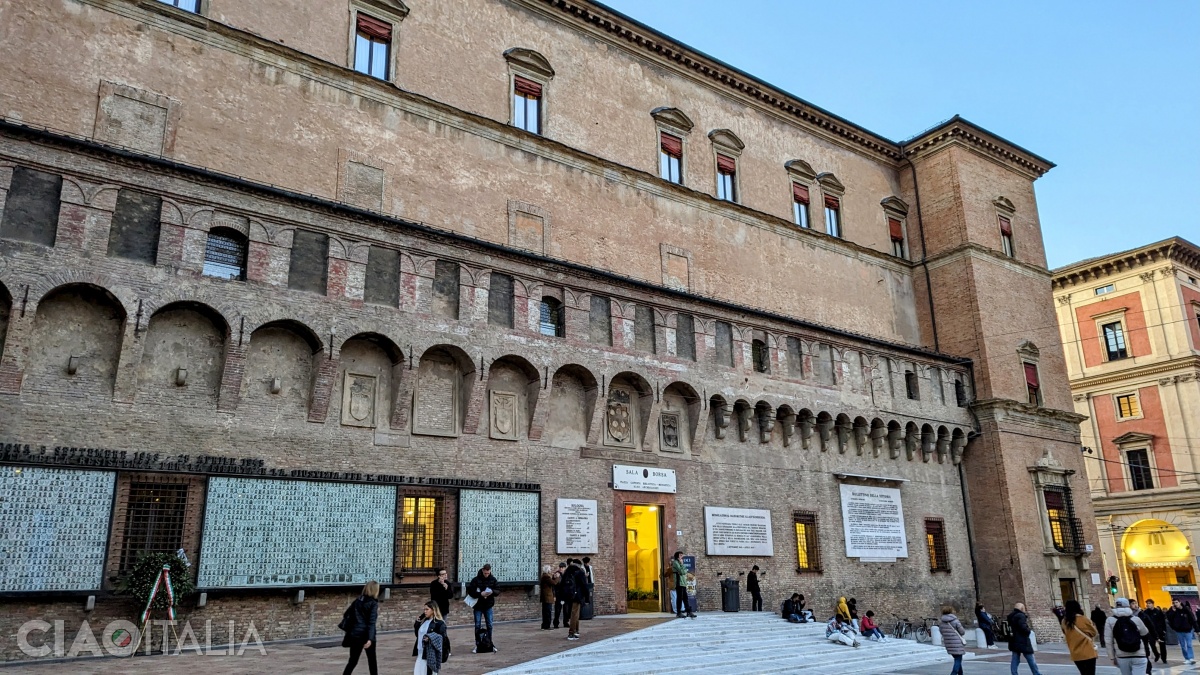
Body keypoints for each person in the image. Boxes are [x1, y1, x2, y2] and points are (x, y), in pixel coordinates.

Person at [341, 580, 380, 675]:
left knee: (352, 661)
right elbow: (371, 622)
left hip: (355, 634)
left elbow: (346, 614)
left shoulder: (357, 601)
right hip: (366, 635)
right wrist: (370, 639)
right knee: (372, 661)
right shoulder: (373, 603)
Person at [1106, 597, 1149, 675]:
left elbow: (1108, 640)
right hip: (1138, 654)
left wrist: (1112, 657)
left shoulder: (1110, 620)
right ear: (1128, 606)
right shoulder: (1136, 619)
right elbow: (1145, 632)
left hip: (1122, 655)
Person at [1060, 600, 1098, 675]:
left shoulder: (1064, 622)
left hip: (1075, 652)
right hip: (1088, 652)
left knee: (1083, 672)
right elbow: (1094, 633)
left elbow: (1065, 633)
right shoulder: (1083, 619)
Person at [467, 564, 499, 653]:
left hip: (488, 605)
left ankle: (490, 643)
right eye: (485, 573)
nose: (487, 575)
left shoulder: (493, 579)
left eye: (488, 573)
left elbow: (498, 590)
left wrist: (492, 592)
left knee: (490, 625)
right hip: (478, 606)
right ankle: (478, 644)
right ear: (482, 570)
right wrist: (480, 594)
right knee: (477, 625)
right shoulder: (475, 580)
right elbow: (471, 592)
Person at [412, 601, 449, 675]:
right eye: (424, 610)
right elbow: (418, 635)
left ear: (433, 610)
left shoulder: (439, 623)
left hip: (430, 654)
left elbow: (443, 639)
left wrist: (430, 638)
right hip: (420, 653)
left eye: (427, 609)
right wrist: (417, 624)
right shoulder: (424, 621)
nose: (425, 612)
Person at [1007, 602, 1043, 675]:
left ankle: (1014, 673)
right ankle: (1036, 673)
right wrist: (1028, 631)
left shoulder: (1011, 616)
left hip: (1013, 640)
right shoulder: (1021, 616)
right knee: (1030, 658)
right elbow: (1023, 627)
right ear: (1022, 608)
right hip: (1022, 640)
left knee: (1015, 659)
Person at [562, 558, 590, 640]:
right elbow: (584, 586)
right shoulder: (580, 572)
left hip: (569, 595)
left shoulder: (568, 571)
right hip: (578, 596)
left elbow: (563, 583)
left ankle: (576, 631)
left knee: (574, 613)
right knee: (575, 614)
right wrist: (587, 598)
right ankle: (572, 632)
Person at [938, 604, 967, 675]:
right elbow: (962, 632)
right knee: (958, 659)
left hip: (948, 643)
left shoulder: (941, 623)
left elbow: (942, 632)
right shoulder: (955, 621)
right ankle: (953, 673)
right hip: (957, 643)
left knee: (957, 659)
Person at [1167, 598, 1196, 665]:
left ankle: (1191, 657)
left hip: (1188, 630)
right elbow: (1169, 619)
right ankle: (1186, 658)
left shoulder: (1186, 609)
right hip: (1179, 631)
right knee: (1183, 645)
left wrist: (1196, 629)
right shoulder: (1172, 610)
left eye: (1176, 602)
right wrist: (1173, 612)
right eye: (1174, 603)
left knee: (1189, 644)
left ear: (1180, 602)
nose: (1175, 604)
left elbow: (1192, 618)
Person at [1141, 599, 1167, 664]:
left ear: (1153, 604)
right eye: (1147, 603)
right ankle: (1156, 654)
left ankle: (1164, 658)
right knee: (1152, 645)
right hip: (1150, 632)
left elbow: (1163, 622)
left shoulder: (1158, 612)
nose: (1148, 605)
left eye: (1149, 603)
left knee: (1162, 645)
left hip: (1159, 631)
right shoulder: (1145, 612)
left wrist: (1164, 630)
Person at [670, 551, 694, 618]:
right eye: (680, 555)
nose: (682, 557)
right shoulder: (675, 563)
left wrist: (683, 567)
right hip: (679, 583)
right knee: (679, 598)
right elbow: (682, 571)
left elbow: (684, 571)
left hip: (683, 583)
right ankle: (678, 612)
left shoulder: (680, 563)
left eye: (682, 555)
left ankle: (688, 611)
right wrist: (682, 565)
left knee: (685, 598)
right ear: (677, 556)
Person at [539, 564, 556, 630]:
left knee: (545, 611)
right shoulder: (546, 577)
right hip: (547, 597)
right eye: (550, 569)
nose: (551, 570)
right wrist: (557, 577)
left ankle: (544, 625)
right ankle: (547, 625)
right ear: (548, 570)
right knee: (548, 612)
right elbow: (554, 583)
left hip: (545, 597)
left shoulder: (544, 576)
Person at [552, 562, 566, 629]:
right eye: (560, 567)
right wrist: (554, 595)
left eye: (562, 568)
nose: (561, 569)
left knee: (566, 609)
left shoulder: (566, 574)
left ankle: (565, 622)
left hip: (565, 594)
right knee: (558, 609)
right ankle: (556, 623)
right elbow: (554, 585)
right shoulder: (556, 574)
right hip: (558, 594)